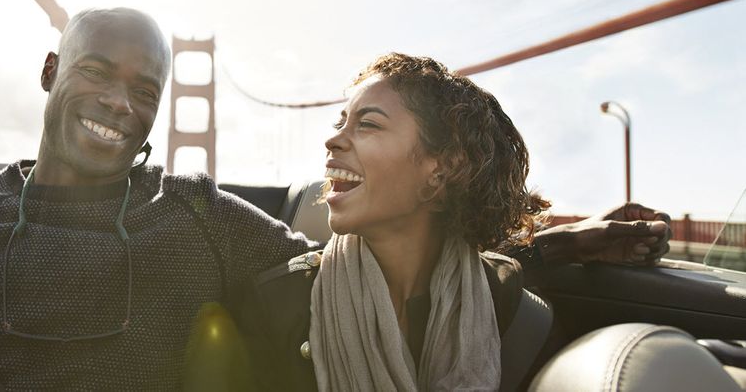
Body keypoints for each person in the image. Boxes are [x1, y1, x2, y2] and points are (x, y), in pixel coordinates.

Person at [0, 8, 670, 390]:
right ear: (50, 71)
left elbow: (374, 268)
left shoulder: (197, 213)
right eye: (95, 72)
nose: (118, 102)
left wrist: (554, 244)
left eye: (144, 89)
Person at [237, 53, 670, 391]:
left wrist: (569, 243)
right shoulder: (278, 303)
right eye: (341, 122)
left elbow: (494, 269)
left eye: (367, 124)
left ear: (440, 171)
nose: (332, 139)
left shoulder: (504, 300)